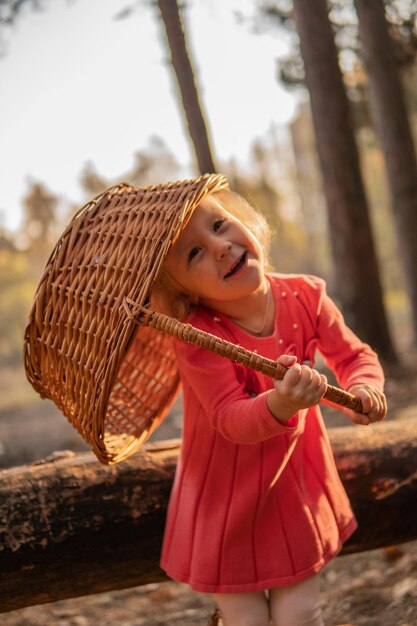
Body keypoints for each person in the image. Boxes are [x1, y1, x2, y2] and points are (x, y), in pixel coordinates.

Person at [151, 186, 387, 626]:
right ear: (181, 291)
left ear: (246, 220)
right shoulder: (197, 335)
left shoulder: (305, 296)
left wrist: (363, 390)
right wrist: (279, 403)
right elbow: (228, 416)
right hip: (224, 493)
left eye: (220, 224)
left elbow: (354, 357)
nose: (221, 247)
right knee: (248, 620)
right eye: (195, 254)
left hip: (292, 483)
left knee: (299, 614)